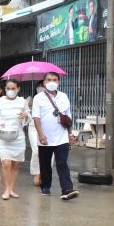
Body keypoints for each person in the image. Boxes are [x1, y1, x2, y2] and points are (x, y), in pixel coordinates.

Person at [32, 72, 79, 200]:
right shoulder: (38, 98)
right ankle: (46, 186)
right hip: (45, 138)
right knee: (45, 164)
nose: (51, 82)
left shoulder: (63, 96)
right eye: (49, 79)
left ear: (58, 82)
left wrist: (71, 134)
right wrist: (41, 134)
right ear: (44, 82)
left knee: (62, 163)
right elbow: (36, 118)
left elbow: (68, 117)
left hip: (62, 137)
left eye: (54, 79)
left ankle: (67, 189)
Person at [0, 79, 30, 200]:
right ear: (5, 89)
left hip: (18, 137)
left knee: (15, 165)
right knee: (6, 163)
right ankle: (7, 189)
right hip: (2, 136)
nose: (11, 91)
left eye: (13, 88)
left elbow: (29, 116)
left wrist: (25, 116)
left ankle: (10, 189)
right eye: (8, 88)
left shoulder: (22, 101)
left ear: (18, 89)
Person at [27, 81, 47, 185]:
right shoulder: (31, 99)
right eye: (39, 86)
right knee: (36, 151)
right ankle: (37, 173)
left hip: (47, 128)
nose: (41, 88)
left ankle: (43, 174)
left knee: (47, 152)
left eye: (42, 86)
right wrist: (29, 105)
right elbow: (25, 114)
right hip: (33, 127)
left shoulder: (51, 99)